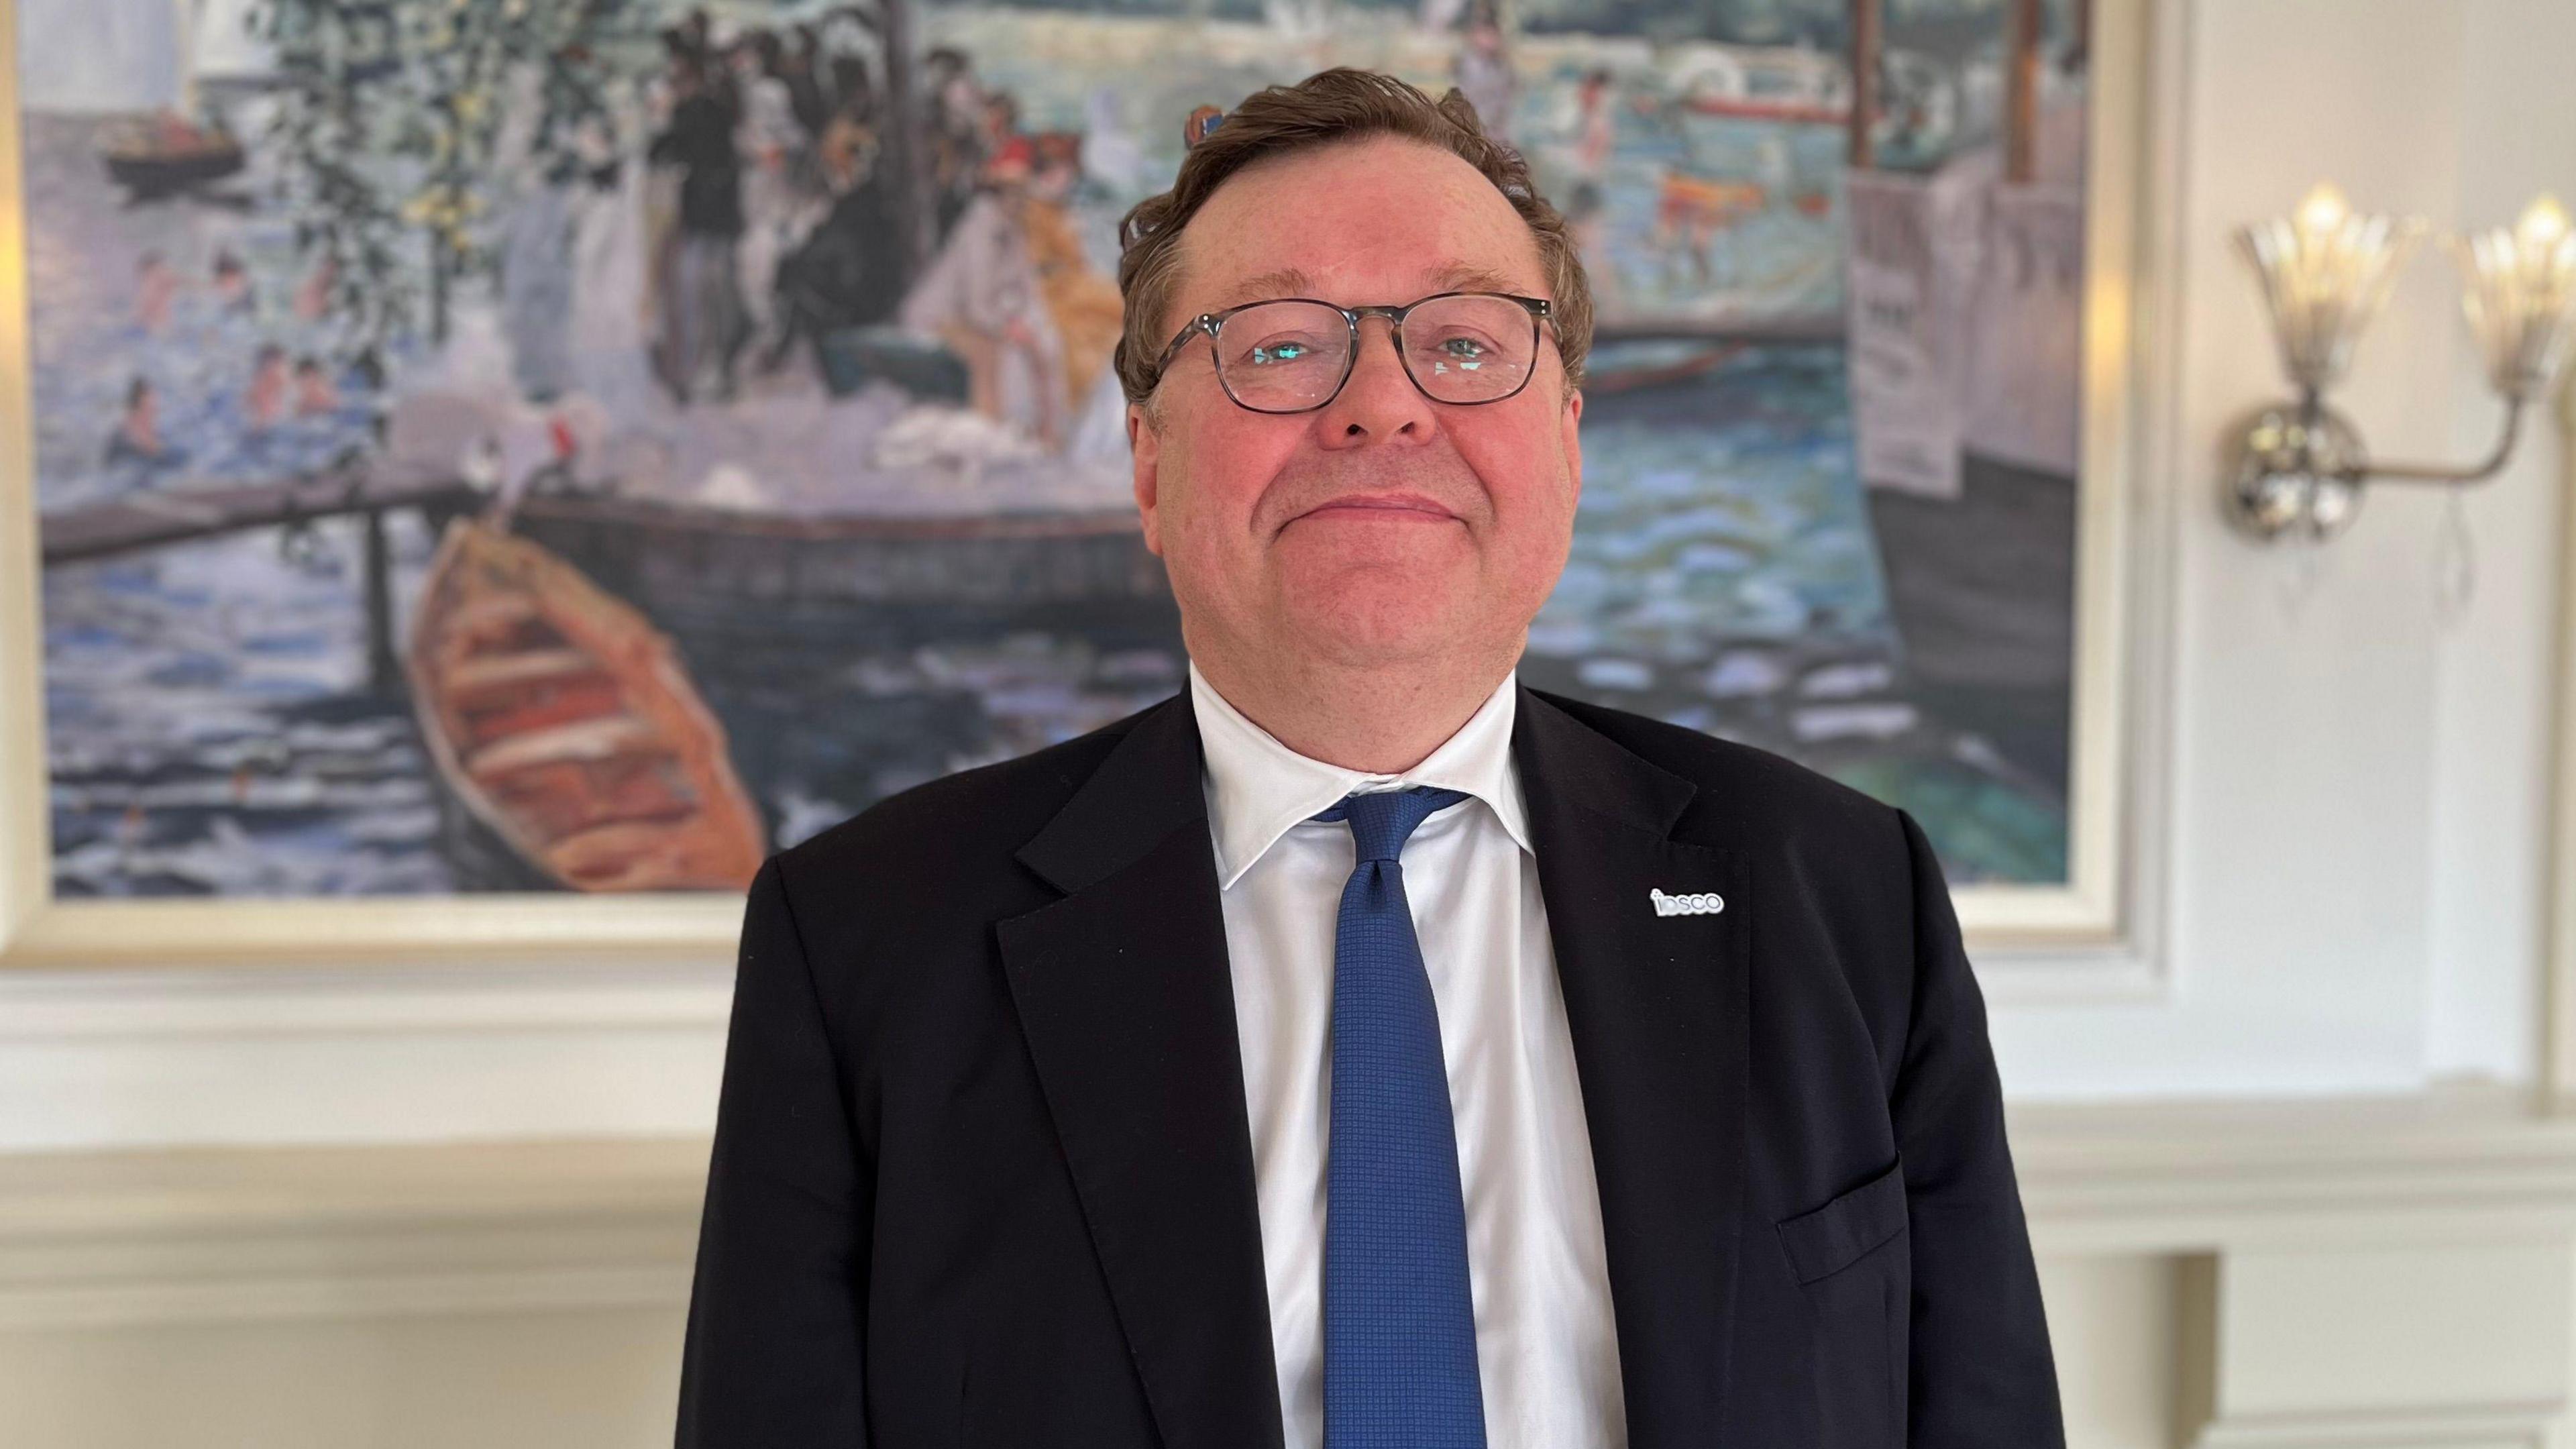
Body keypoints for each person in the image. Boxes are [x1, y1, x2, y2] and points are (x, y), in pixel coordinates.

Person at [676, 67, 2063, 1449]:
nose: (1381, 405)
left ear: (1568, 452)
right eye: (1280, 345)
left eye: (1464, 343)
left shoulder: (1843, 896)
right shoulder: (866, 943)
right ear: (1151, 468)